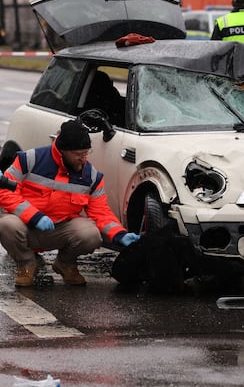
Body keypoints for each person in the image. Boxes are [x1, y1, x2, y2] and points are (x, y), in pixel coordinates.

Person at [0, 120, 141, 287]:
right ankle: (26, 264)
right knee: (6, 224)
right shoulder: (29, 160)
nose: (83, 159)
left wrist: (120, 234)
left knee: (91, 235)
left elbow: (101, 212)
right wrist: (34, 216)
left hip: (59, 229)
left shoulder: (92, 177)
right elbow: (5, 191)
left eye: (86, 153)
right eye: (78, 154)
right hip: (26, 225)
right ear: (63, 151)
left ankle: (65, 263)